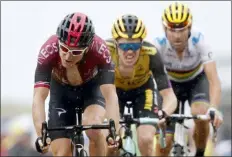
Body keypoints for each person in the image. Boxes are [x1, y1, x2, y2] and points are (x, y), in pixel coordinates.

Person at [32, 12, 120, 156]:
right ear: (58, 41)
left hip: (91, 89)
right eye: (64, 49)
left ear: (87, 49)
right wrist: (40, 135)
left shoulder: (100, 50)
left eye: (75, 52)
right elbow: (38, 97)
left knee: (94, 128)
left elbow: (110, 95)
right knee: (62, 153)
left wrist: (113, 132)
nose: (67, 56)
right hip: (61, 93)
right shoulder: (48, 50)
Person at [154, 2, 223, 156]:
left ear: (189, 27)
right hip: (170, 86)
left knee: (201, 113)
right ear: (165, 28)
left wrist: (213, 107)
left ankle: (199, 152)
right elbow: (150, 81)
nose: (177, 35)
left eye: (182, 29)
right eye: (172, 30)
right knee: (164, 141)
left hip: (196, 82)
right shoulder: (158, 45)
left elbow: (214, 81)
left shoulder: (200, 41)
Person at [105, 14, 177, 156]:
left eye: (135, 45)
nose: (130, 51)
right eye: (125, 45)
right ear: (116, 43)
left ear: (142, 44)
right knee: (111, 142)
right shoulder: (106, 52)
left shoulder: (151, 53)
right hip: (114, 93)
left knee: (146, 139)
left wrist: (164, 112)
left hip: (143, 92)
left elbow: (169, 96)